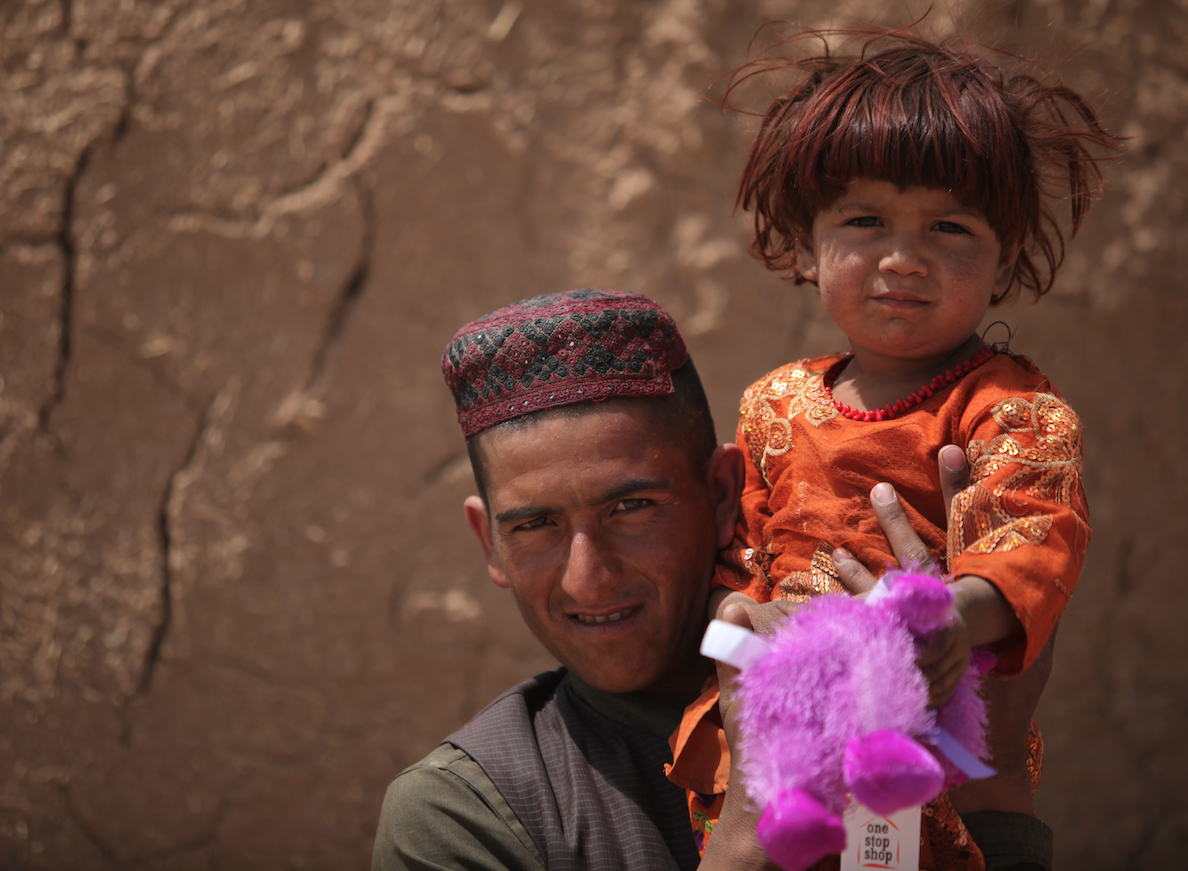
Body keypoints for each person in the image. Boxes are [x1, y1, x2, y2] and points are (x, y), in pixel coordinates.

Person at [666, 31, 1118, 871]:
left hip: (924, 755)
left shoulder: (1017, 411)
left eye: (948, 227)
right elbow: (743, 556)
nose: (903, 258)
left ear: (1005, 256)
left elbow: (1033, 542)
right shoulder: (772, 403)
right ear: (805, 244)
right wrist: (736, 621)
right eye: (865, 220)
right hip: (776, 749)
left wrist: (949, 616)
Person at [371, 288, 986, 871]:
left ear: (722, 494)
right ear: (490, 543)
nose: (589, 580)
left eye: (631, 508)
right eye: (535, 525)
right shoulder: (465, 813)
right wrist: (753, 830)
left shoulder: (913, 696)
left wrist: (997, 755)